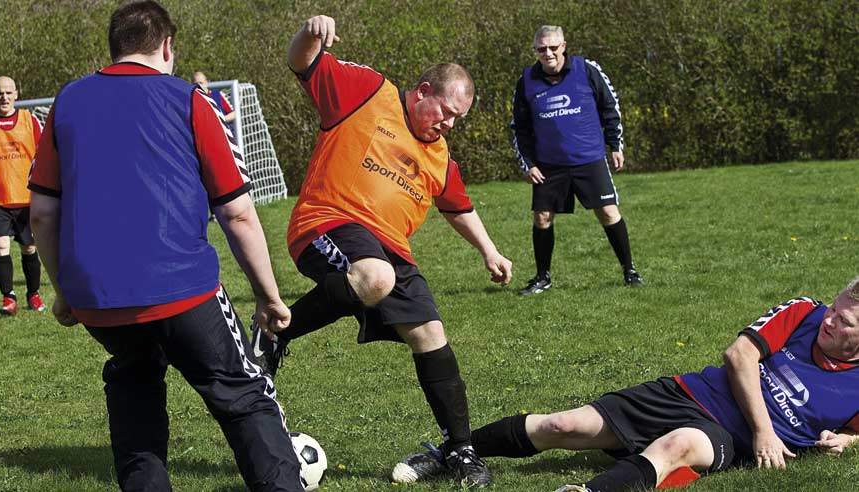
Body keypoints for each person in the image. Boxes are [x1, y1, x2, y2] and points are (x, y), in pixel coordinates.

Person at [28, 2, 302, 491]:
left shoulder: (66, 103)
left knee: (135, 398)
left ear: (113, 49)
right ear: (168, 46)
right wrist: (269, 295)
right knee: (244, 397)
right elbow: (236, 212)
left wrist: (64, 291)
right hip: (182, 289)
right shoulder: (189, 100)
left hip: (100, 300)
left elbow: (43, 213)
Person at [258, 14, 513, 487]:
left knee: (430, 334)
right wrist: (310, 32)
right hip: (330, 220)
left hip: (390, 250)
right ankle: (277, 333)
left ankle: (460, 450)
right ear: (421, 91)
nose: (450, 124)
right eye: (446, 111)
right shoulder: (368, 93)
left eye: (458, 118)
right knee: (376, 277)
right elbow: (302, 62)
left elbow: (458, 207)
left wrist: (490, 251)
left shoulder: (439, 157)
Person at [393, 277, 859, 491]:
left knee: (679, 446)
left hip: (725, 437)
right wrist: (766, 432)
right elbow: (739, 356)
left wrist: (845, 438)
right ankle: (447, 453)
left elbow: (855, 432)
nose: (831, 321)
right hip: (691, 393)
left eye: (845, 322)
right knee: (561, 425)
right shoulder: (805, 312)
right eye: (836, 309)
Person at [512, 25, 643, 295]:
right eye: (541, 48)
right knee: (542, 218)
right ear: (535, 50)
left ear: (563, 46)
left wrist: (615, 144)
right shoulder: (526, 80)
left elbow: (610, 105)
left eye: (553, 47)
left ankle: (629, 271)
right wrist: (529, 163)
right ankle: (542, 277)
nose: (547, 53)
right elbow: (520, 128)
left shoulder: (587, 69)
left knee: (608, 213)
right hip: (549, 164)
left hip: (589, 158)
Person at [0, 76, 47, 315]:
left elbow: (45, 155)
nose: (4, 98)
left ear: (16, 94)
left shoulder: (30, 121)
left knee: (29, 247)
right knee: (1, 245)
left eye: (8, 93)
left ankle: (33, 294)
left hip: (26, 197)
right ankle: (9, 298)